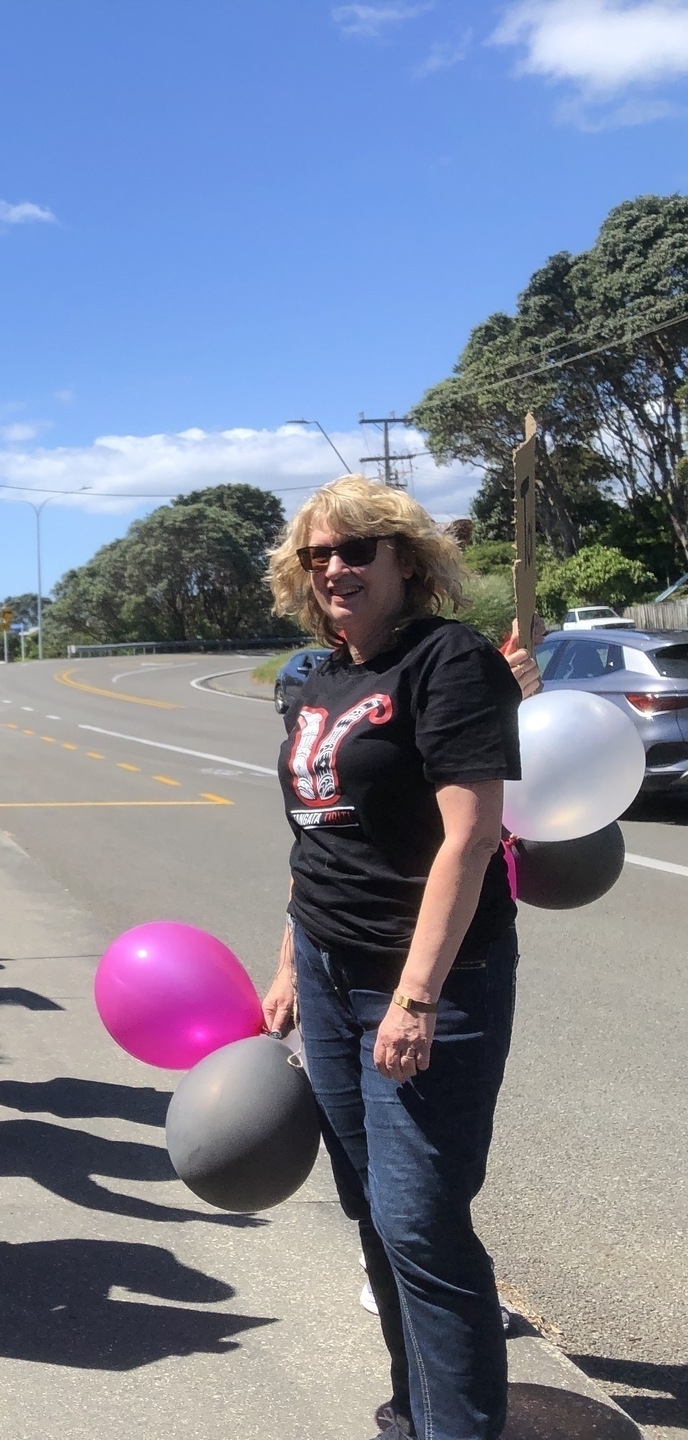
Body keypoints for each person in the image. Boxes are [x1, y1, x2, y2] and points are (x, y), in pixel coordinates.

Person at [258, 477, 523, 1440]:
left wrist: (415, 996)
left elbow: (471, 838)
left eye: (358, 548)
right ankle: (415, 1412)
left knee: (422, 1221)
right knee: (373, 1210)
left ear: (406, 559)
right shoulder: (320, 678)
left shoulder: (446, 661)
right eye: (318, 554)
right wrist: (291, 962)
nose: (337, 567)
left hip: (425, 986)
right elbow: (318, 842)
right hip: (328, 976)